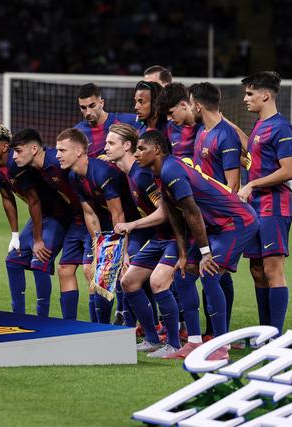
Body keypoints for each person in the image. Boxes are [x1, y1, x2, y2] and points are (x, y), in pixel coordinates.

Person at [137, 130, 259, 360]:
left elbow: (192, 212)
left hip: (236, 221)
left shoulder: (171, 170)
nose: (136, 153)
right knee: (182, 276)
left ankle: (221, 347)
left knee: (209, 274)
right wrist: (183, 254)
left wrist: (205, 253)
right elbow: (175, 215)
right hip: (216, 226)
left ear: (157, 150)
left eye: (142, 148)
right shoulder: (161, 173)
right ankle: (194, 342)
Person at [104, 123, 180, 358]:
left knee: (159, 283)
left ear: (127, 146)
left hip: (175, 237)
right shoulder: (131, 174)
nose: (105, 148)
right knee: (128, 282)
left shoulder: (142, 174)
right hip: (159, 237)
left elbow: (164, 212)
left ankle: (175, 344)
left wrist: (132, 225)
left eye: (111, 143)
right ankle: (152, 339)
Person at [55, 127, 140, 323]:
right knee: (92, 270)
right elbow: (90, 214)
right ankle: (99, 327)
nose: (57, 155)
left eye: (62, 150)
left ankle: (127, 322)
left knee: (119, 273)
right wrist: (98, 245)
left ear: (79, 151)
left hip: (132, 222)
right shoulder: (73, 176)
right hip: (108, 221)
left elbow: (118, 213)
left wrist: (122, 250)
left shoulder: (101, 173)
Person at [0, 124, 65, 318]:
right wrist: (14, 235)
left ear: (5, 147)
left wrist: (38, 240)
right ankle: (17, 317)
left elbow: (34, 201)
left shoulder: (16, 164)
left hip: (57, 214)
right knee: (13, 261)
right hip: (40, 216)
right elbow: (7, 198)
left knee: (40, 260)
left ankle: (42, 319)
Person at [238, 71, 292, 336]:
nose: (245, 99)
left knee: (273, 269)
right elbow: (254, 160)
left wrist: (252, 184)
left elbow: (288, 171)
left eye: (250, 93)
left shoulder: (281, 127)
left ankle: (275, 337)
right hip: (255, 207)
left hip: (274, 205)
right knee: (257, 270)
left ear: (265, 95)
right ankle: (265, 334)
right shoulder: (259, 126)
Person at [10, 128, 87, 320]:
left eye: (18, 151)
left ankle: (118, 318)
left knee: (93, 270)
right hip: (68, 219)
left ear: (34, 149)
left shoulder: (57, 163)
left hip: (85, 219)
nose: (14, 156)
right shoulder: (34, 169)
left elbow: (86, 181)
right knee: (62, 269)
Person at [188, 82, 242, 336]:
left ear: (198, 105)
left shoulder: (226, 135)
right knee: (216, 274)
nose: (190, 108)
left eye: (190, 103)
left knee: (212, 273)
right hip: (204, 217)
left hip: (222, 219)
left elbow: (233, 184)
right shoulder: (202, 132)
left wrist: (217, 212)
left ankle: (218, 335)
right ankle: (214, 332)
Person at [74, 83, 139, 159]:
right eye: (83, 108)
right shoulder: (78, 133)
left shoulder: (125, 121)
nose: (88, 112)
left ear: (102, 103)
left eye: (92, 106)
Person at [156, 82, 199, 159]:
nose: (169, 119)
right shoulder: (170, 127)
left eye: (171, 113)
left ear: (183, 105)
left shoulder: (204, 126)